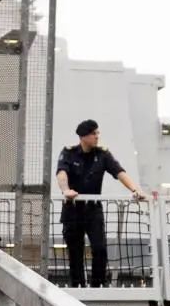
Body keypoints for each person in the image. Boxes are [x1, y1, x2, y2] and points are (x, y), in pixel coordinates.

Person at [53, 119, 142, 287]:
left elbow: (118, 171)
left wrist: (134, 190)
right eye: (94, 133)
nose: (97, 136)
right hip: (73, 211)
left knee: (100, 249)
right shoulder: (68, 153)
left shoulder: (103, 154)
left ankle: (97, 287)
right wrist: (66, 190)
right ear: (83, 136)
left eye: (97, 133)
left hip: (93, 211)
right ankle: (78, 289)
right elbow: (61, 172)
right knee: (75, 252)